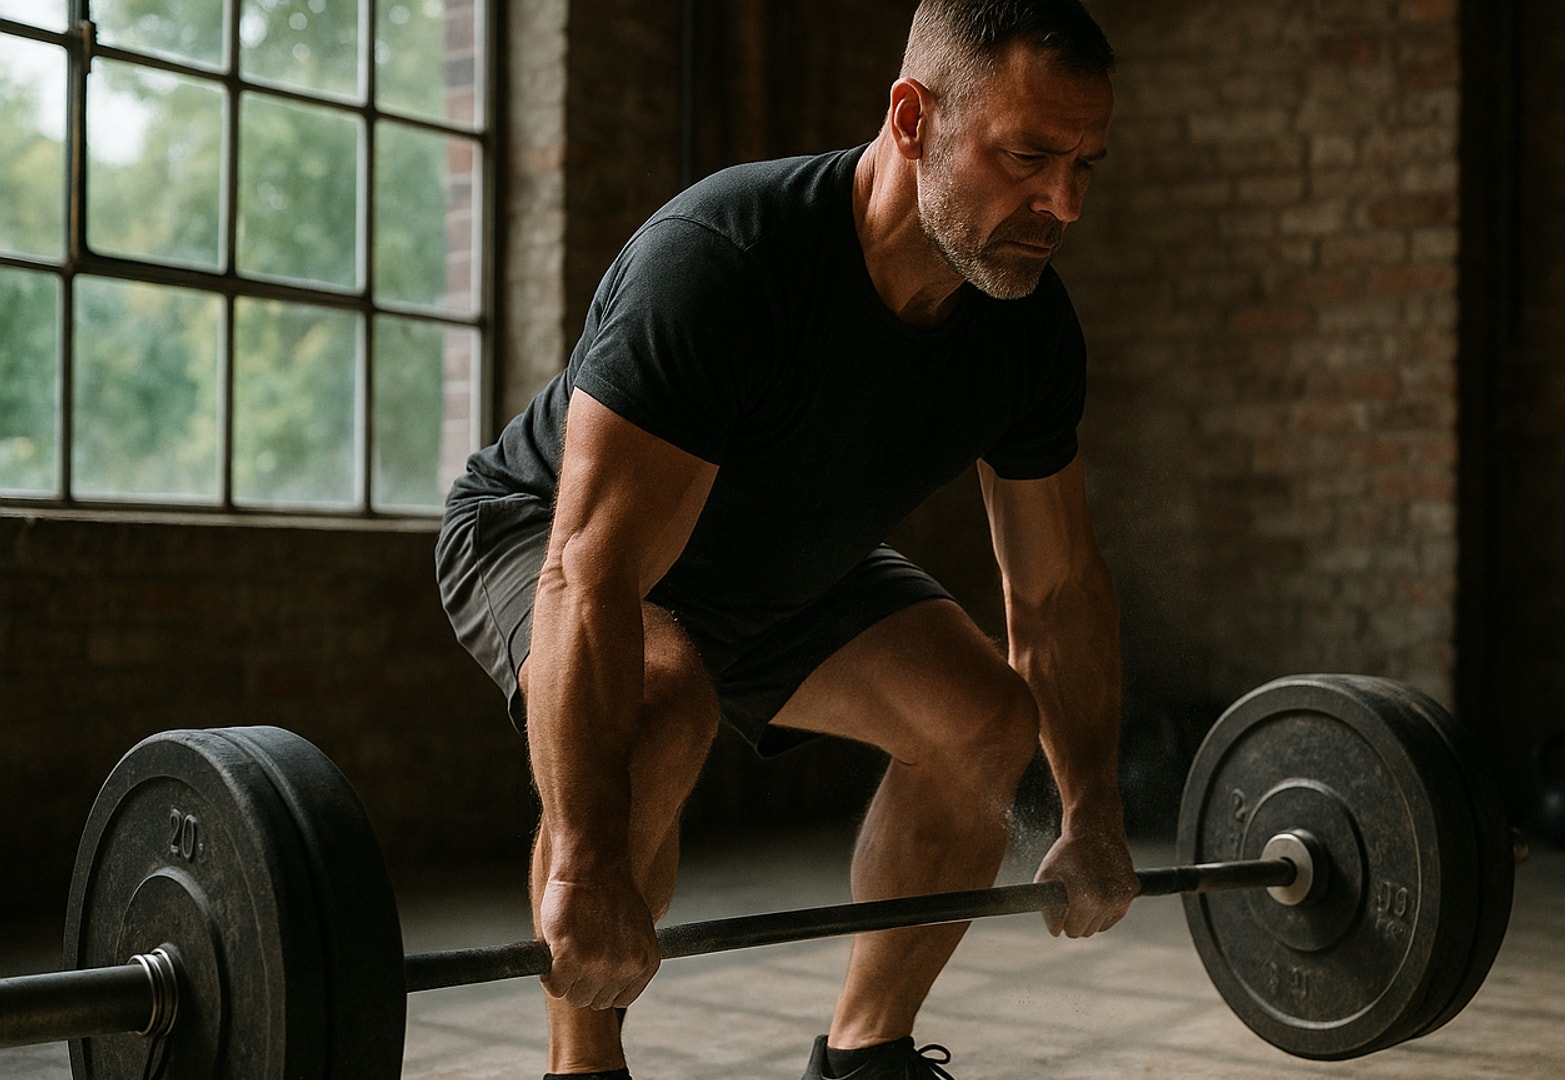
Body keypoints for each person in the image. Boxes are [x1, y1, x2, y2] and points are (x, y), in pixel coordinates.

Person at [434, 2, 1133, 1077]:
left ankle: (865, 1056)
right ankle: (583, 1067)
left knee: (987, 721)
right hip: (546, 538)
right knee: (664, 702)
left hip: (783, 566)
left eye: (1085, 161)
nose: (1065, 203)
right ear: (911, 118)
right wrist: (578, 865)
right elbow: (590, 573)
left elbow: (1054, 591)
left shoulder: (1026, 324)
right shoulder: (724, 260)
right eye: (1028, 155)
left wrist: (1087, 810)